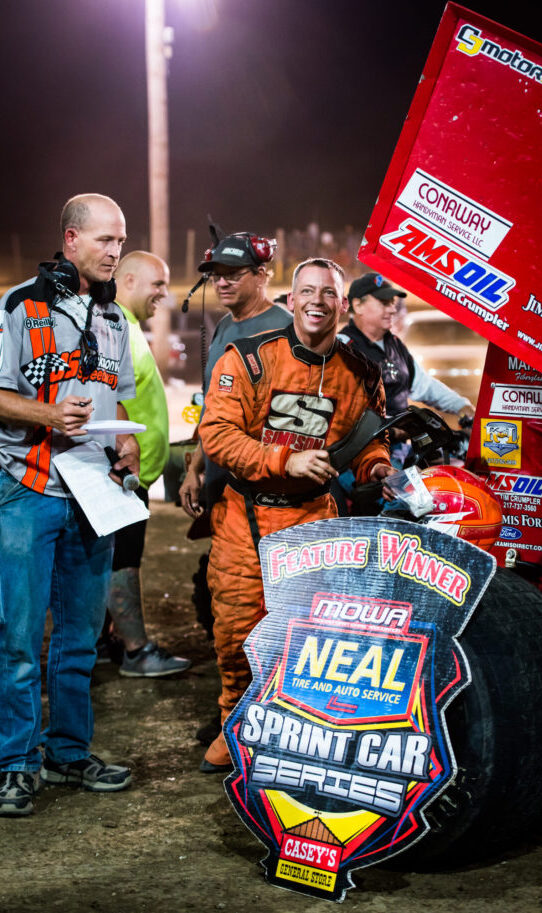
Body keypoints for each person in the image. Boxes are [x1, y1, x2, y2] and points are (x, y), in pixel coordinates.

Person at [197, 257, 394, 772]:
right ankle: (233, 725)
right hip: (247, 517)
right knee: (237, 631)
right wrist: (285, 459)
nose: (316, 301)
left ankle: (297, 731)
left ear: (341, 303)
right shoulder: (249, 358)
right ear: (290, 301)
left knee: (309, 638)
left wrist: (379, 471)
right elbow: (217, 435)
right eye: (306, 291)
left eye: (327, 293)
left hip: (315, 520)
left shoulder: (362, 372)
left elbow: (371, 441)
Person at [0, 193, 139, 816]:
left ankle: (66, 753)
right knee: (21, 640)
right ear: (71, 239)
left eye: (120, 240)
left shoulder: (116, 321)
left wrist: (128, 446)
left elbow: (120, 402)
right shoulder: (18, 306)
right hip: (26, 490)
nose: (115, 251)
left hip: (94, 497)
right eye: (105, 239)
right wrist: (49, 414)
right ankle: (14, 764)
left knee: (80, 639)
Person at [178, 230, 292, 745]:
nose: (222, 282)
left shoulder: (287, 329)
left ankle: (265, 718)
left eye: (234, 273)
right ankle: (236, 711)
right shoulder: (224, 324)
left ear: (263, 274)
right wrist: (195, 465)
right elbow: (213, 408)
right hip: (226, 495)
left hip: (272, 500)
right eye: (216, 274)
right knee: (225, 607)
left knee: (269, 614)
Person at [102, 251, 191, 677]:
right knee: (123, 559)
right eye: (157, 284)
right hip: (120, 474)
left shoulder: (129, 325)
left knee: (113, 557)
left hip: (133, 475)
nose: (164, 293)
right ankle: (136, 651)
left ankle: (107, 639)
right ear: (129, 280)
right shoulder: (112, 324)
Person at [339, 273, 475, 422]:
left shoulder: (395, 344)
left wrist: (461, 405)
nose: (392, 310)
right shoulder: (342, 347)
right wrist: (389, 427)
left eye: (392, 303)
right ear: (358, 305)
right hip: (365, 444)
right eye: (384, 303)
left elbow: (424, 385)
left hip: (399, 442)